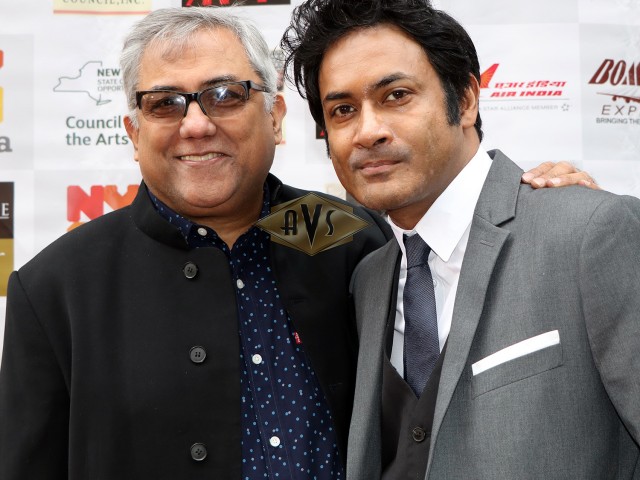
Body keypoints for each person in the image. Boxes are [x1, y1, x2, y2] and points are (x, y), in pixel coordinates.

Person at [0, 6, 592, 480]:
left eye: (225, 94)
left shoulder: (348, 235)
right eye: (164, 104)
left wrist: (541, 205)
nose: (196, 124)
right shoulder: (57, 288)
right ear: (133, 133)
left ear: (276, 117)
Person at [280, 0, 640, 479]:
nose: (368, 132)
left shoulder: (588, 231)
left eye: (396, 95)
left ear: (466, 100)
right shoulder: (369, 277)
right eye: (343, 110)